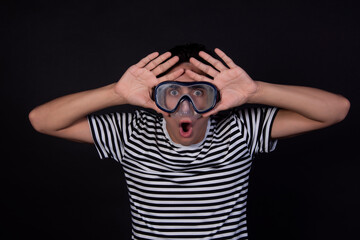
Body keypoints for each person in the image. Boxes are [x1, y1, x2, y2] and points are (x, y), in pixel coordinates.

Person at [29, 43, 350, 240]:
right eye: (174, 90)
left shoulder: (241, 128)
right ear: (155, 94)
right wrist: (115, 92)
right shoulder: (129, 130)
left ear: (217, 95)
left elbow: (336, 110)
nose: (187, 104)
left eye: (198, 90)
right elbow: (41, 121)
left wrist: (257, 91)